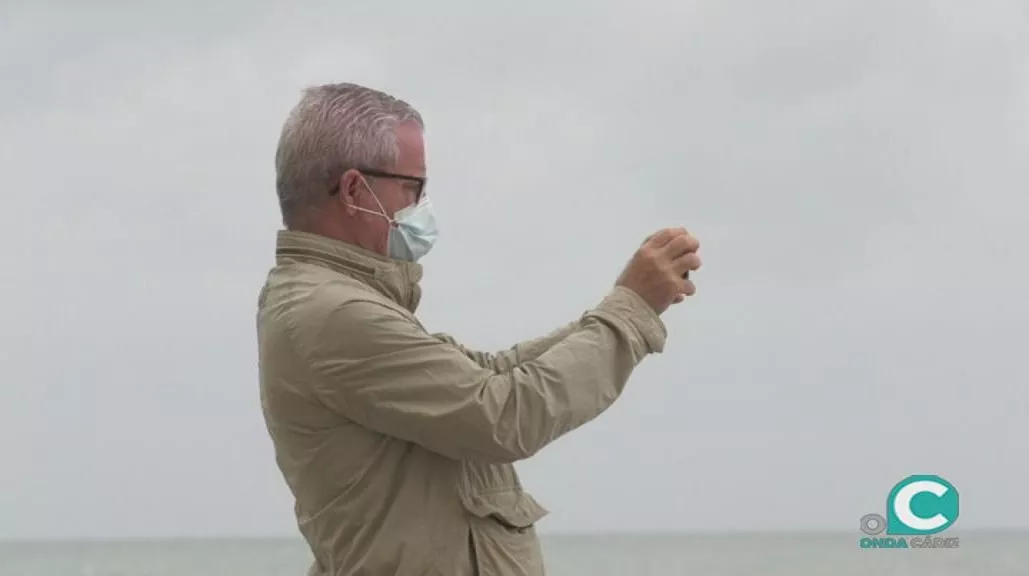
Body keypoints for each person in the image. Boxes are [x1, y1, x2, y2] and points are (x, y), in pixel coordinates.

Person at [257, 82, 702, 576]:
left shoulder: (337, 302)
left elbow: (487, 372)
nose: (421, 204)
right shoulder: (333, 312)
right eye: (413, 187)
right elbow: (505, 413)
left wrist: (620, 306)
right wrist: (631, 311)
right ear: (356, 191)